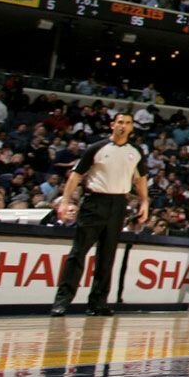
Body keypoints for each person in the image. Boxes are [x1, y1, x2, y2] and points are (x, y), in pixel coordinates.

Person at [49, 111, 147, 316]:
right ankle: (62, 301)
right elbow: (76, 176)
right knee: (78, 253)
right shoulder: (97, 148)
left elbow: (140, 179)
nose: (123, 126)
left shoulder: (136, 151)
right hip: (94, 201)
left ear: (131, 127)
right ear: (113, 125)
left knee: (107, 255)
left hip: (119, 203)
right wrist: (65, 201)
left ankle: (98, 303)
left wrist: (145, 201)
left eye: (128, 123)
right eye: (120, 122)